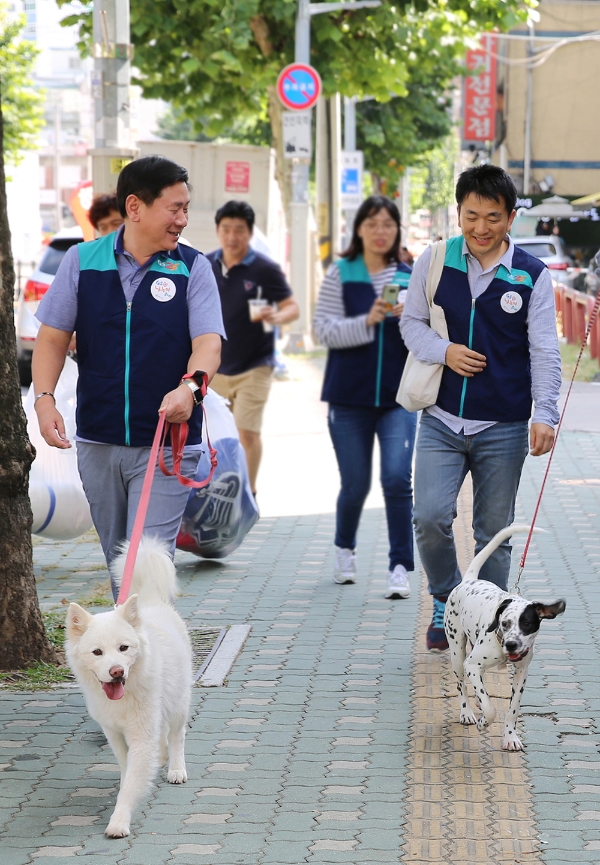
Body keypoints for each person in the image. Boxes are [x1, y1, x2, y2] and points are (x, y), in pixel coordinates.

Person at [32, 156, 225, 596]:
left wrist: (190, 389)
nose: (183, 219)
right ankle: (136, 657)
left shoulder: (192, 268)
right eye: (174, 208)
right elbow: (51, 340)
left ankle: (150, 660)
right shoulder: (82, 262)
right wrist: (45, 400)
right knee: (122, 569)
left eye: (186, 208)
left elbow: (209, 343)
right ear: (135, 207)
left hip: (167, 443)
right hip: (97, 442)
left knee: (146, 568)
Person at [401, 164, 561, 652]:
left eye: (493, 216)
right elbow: (410, 324)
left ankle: (490, 621)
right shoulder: (434, 260)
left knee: (494, 532)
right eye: (471, 215)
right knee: (428, 516)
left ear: (511, 217)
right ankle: (448, 601)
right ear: (459, 212)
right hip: (442, 417)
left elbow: (545, 350)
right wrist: (443, 350)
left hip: (505, 424)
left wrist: (545, 413)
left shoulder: (532, 276)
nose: (481, 228)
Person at [313, 196, 417, 600]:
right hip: (348, 398)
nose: (380, 230)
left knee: (396, 478)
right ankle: (344, 549)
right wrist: (367, 321)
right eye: (372, 223)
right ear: (359, 228)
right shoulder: (341, 272)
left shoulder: (411, 276)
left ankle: (399, 566)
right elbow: (322, 330)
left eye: (388, 223)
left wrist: (407, 320)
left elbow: (427, 335)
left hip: (398, 400)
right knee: (355, 483)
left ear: (397, 230)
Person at [207, 200, 299, 497]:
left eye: (239, 230)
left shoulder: (265, 269)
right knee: (218, 435)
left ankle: (247, 493)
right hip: (214, 366)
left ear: (249, 233)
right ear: (218, 231)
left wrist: (277, 316)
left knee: (247, 431)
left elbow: (292, 308)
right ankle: (216, 489)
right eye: (226, 230)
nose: (232, 237)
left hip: (255, 365)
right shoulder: (204, 265)